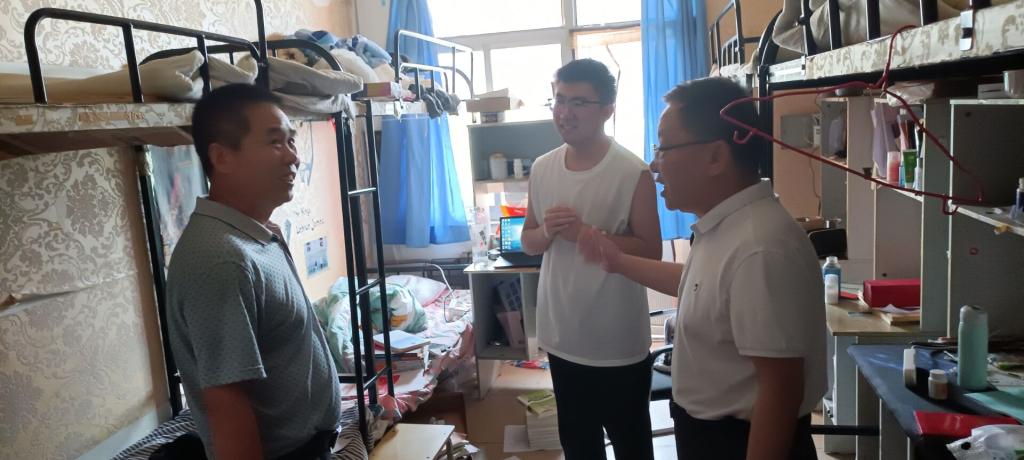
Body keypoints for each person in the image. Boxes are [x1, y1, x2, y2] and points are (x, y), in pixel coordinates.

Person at [579, 77, 826, 460]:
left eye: (664, 148)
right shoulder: (726, 226)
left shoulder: (759, 248)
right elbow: (702, 286)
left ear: (715, 157)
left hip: (738, 442)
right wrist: (618, 262)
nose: (654, 165)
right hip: (711, 435)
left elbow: (780, 392)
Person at [166, 84, 341, 460]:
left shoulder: (259, 234)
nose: (293, 157)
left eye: (291, 141)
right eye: (275, 142)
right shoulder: (221, 259)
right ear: (222, 157)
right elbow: (228, 407)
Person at [520, 58, 663, 460]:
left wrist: (588, 235)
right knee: (579, 447)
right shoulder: (543, 168)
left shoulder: (632, 171)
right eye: (559, 100)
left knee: (632, 446)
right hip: (562, 336)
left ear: (607, 110)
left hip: (617, 341)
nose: (564, 112)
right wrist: (548, 232)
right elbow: (529, 242)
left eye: (579, 102)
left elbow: (651, 251)